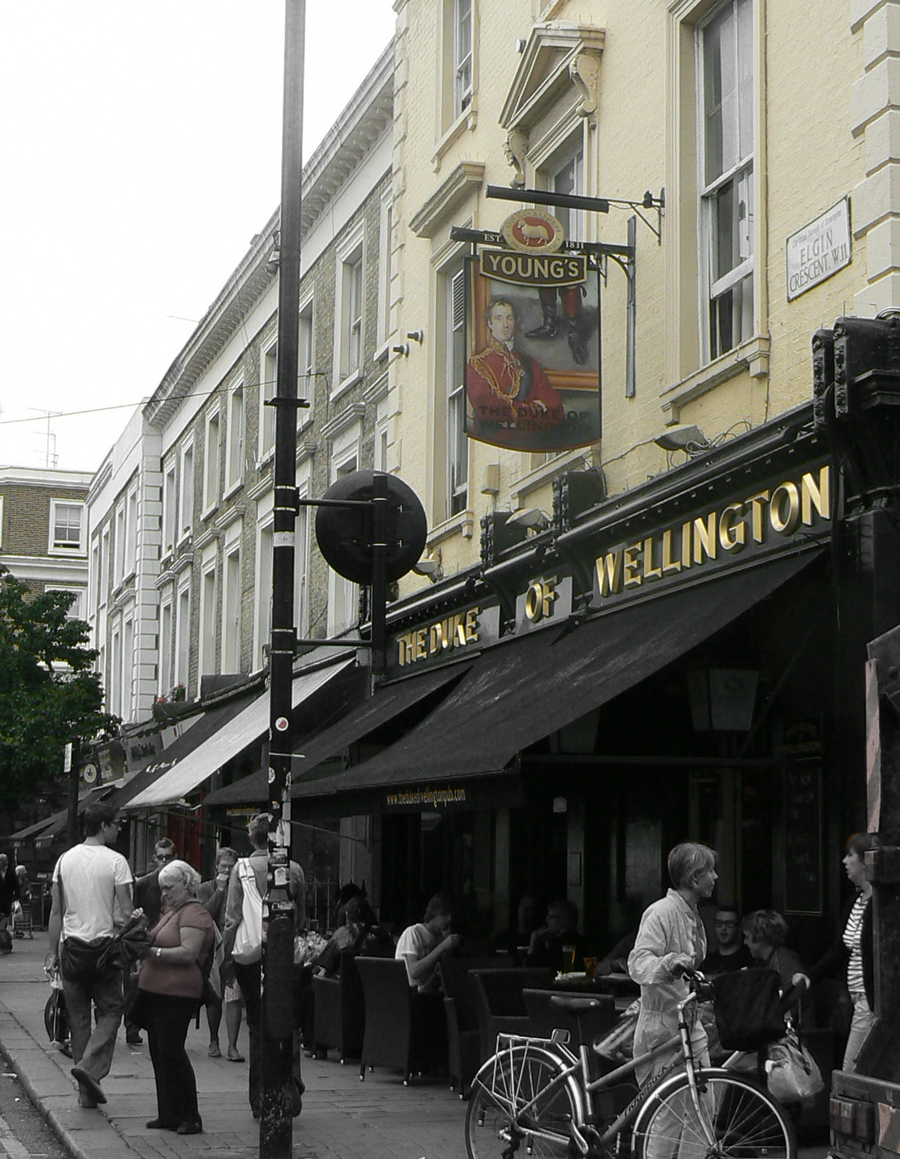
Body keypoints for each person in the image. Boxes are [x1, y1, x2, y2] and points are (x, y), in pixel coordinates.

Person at [47, 803, 135, 1109]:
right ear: (104, 826)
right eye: (117, 824)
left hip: (71, 950)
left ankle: (86, 1095)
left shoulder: (64, 861)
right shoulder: (116, 862)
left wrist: (51, 954)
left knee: (79, 1019)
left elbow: (56, 911)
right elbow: (125, 914)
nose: (119, 828)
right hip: (104, 951)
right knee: (112, 1010)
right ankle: (89, 1068)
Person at [223, 813, 306, 1119]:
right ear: (278, 838)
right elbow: (300, 918)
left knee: (257, 1025)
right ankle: (290, 1082)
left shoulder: (240, 869)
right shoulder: (293, 869)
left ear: (252, 838)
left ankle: (259, 1096)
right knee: (287, 1018)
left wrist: (226, 957)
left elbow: (232, 917)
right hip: (283, 953)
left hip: (250, 956)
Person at [627, 842, 716, 1086]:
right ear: (695, 877)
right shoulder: (660, 912)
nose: (715, 877)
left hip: (688, 1023)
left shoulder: (693, 914)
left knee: (702, 1106)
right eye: (710, 871)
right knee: (667, 1116)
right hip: (662, 1028)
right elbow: (638, 963)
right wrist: (670, 963)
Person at [136, 859, 214, 1135]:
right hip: (156, 991)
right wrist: (142, 928)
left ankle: (190, 1116)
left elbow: (188, 953)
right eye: (162, 889)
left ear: (186, 884)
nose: (164, 894)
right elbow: (154, 940)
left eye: (169, 888)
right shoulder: (172, 911)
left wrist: (152, 953)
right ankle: (168, 1113)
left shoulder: (194, 913)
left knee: (172, 1051)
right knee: (159, 1051)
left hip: (177, 993)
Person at [806, 831, 877, 1072]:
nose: (845, 862)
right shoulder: (855, 902)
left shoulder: (881, 905)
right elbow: (839, 949)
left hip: (871, 1000)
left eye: (850, 855)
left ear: (866, 860)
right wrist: (810, 975)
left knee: (851, 1070)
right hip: (855, 998)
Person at [466, 298, 564, 437]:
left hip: (530, 440)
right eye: (499, 319)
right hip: (494, 439)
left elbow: (555, 407)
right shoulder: (478, 364)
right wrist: (533, 409)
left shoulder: (529, 364)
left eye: (509, 318)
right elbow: (487, 408)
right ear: (490, 323)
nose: (505, 325)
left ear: (515, 322)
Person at [125, 837, 176, 1045]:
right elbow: (134, 913)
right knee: (136, 986)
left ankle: (162, 1027)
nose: (164, 860)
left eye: (168, 857)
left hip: (170, 939)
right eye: (161, 857)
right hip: (146, 939)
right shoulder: (145, 883)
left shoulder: (179, 883)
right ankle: (132, 1027)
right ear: (154, 858)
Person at [197, 846, 244, 1061]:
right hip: (214, 949)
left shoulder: (242, 888)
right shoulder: (206, 888)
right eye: (223, 866)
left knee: (232, 994)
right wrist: (221, 890)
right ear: (216, 867)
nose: (227, 870)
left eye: (231, 866)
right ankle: (214, 1040)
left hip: (234, 946)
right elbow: (204, 914)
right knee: (215, 996)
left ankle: (232, 1046)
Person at [742, 909, 812, 1027]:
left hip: (793, 1036)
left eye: (747, 937)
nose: (745, 942)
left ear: (759, 938)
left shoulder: (785, 962)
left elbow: (788, 1005)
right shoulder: (763, 962)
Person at [395, 892, 461, 992]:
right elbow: (414, 971)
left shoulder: (441, 937)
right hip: (412, 993)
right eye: (445, 914)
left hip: (431, 991)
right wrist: (442, 947)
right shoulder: (413, 933)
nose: (449, 919)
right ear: (435, 914)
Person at [526, 898, 587, 973]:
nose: (546, 920)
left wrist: (533, 939)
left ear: (564, 920)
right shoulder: (582, 941)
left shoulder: (560, 944)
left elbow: (530, 965)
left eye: (551, 917)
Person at [700, 904, 753, 975]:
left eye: (729, 923)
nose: (723, 928)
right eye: (719, 923)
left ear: (738, 927)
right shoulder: (707, 962)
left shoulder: (749, 959)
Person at [0, 854, 21, 936]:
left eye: (1, 860)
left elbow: (16, 886)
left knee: (4, 919)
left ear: (5, 862)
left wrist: (16, 897)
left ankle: (2, 938)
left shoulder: (11, 873)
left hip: (7, 900)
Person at [12, 865, 32, 938]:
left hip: (24, 899)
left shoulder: (26, 880)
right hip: (16, 899)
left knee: (25, 911)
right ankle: (17, 929)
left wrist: (28, 891)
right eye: (23, 871)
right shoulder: (14, 880)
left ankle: (19, 929)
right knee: (15, 909)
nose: (25, 873)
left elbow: (29, 888)